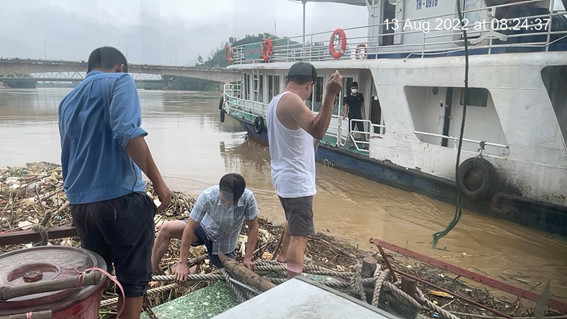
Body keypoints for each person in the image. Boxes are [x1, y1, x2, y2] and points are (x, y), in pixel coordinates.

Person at [58, 46, 171, 319]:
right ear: (122, 66)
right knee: (132, 284)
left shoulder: (67, 100)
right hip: (120, 201)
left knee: (97, 279)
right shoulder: (121, 81)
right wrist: (158, 182)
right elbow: (128, 134)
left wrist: (75, 201)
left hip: (82, 206)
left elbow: (68, 153)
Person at [266, 62, 343, 278]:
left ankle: (282, 256)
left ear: (289, 79)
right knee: (301, 235)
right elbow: (318, 130)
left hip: (284, 177)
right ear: (309, 85)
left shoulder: (276, 100)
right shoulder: (292, 100)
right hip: (297, 181)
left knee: (293, 220)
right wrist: (330, 94)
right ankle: (293, 283)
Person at [151, 173, 260, 283]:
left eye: (230, 202)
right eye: (223, 200)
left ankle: (197, 272)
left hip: (224, 241)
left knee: (228, 279)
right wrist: (182, 263)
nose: (226, 204)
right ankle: (149, 272)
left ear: (239, 197)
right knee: (166, 228)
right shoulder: (208, 196)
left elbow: (253, 227)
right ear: (220, 191)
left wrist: (248, 257)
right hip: (203, 229)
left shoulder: (248, 198)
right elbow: (189, 228)